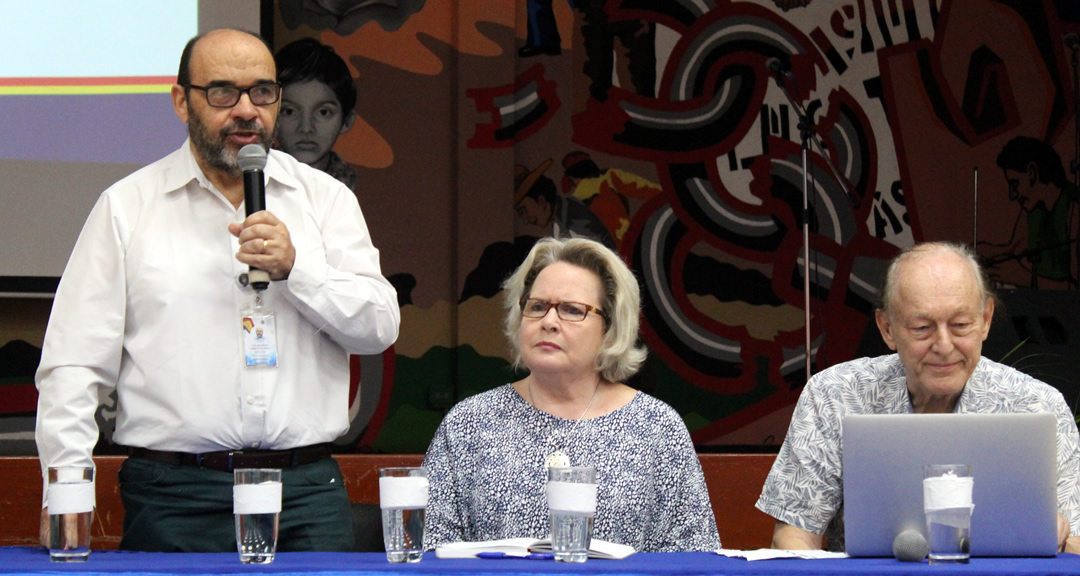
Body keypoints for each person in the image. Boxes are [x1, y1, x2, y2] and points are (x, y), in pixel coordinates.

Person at [34, 29, 400, 552]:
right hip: (174, 496)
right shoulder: (128, 207)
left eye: (263, 93)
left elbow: (379, 327)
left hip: (304, 493)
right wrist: (68, 492)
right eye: (224, 92)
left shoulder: (327, 201)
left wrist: (298, 269)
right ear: (183, 101)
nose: (247, 111)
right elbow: (73, 365)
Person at [755, 242, 1080, 553]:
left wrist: (1061, 539)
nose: (943, 345)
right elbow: (793, 538)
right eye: (922, 327)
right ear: (887, 329)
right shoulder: (835, 395)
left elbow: (1077, 540)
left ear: (985, 320)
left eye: (960, 325)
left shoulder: (1038, 406)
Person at [422, 237, 720, 552]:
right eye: (537, 307)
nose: (549, 322)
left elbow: (694, 556)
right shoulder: (469, 423)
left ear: (610, 326)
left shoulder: (657, 428)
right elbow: (429, 550)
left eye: (571, 310)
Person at [984, 136, 1079, 289]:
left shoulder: (1073, 209)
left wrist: (1022, 278)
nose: (1012, 195)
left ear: (1032, 173)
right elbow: (1009, 250)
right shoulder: (1033, 210)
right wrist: (969, 251)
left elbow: (1074, 290)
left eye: (1015, 184)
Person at [274, 37, 358, 190]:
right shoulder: (249, 184)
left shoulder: (347, 193)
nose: (306, 128)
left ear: (347, 120)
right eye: (289, 111)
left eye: (323, 112)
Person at [514, 159, 615, 249]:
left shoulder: (573, 215)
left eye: (524, 211)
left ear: (541, 201)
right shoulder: (560, 218)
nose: (525, 220)